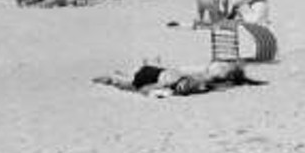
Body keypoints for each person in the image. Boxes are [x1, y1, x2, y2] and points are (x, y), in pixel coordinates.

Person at [93, 59, 258, 97]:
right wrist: (144, 91)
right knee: (129, 84)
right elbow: (151, 86)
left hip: (153, 70)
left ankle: (116, 76)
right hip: (148, 74)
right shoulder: (175, 80)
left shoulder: (187, 77)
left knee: (128, 81)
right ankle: (113, 78)